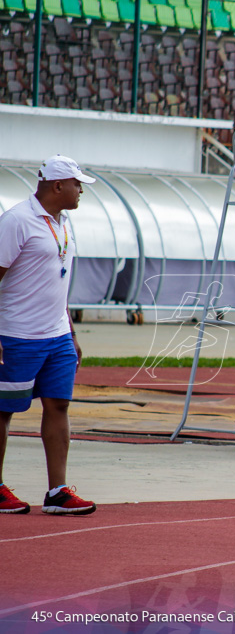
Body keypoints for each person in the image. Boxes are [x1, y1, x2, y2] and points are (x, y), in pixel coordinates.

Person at [0, 155, 96, 516]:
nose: (81, 189)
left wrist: (70, 332)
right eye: (77, 183)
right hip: (16, 335)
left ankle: (57, 491)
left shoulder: (64, 221)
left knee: (58, 405)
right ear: (58, 185)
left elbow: (59, 283)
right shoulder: (16, 222)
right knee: (3, 410)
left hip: (57, 336)